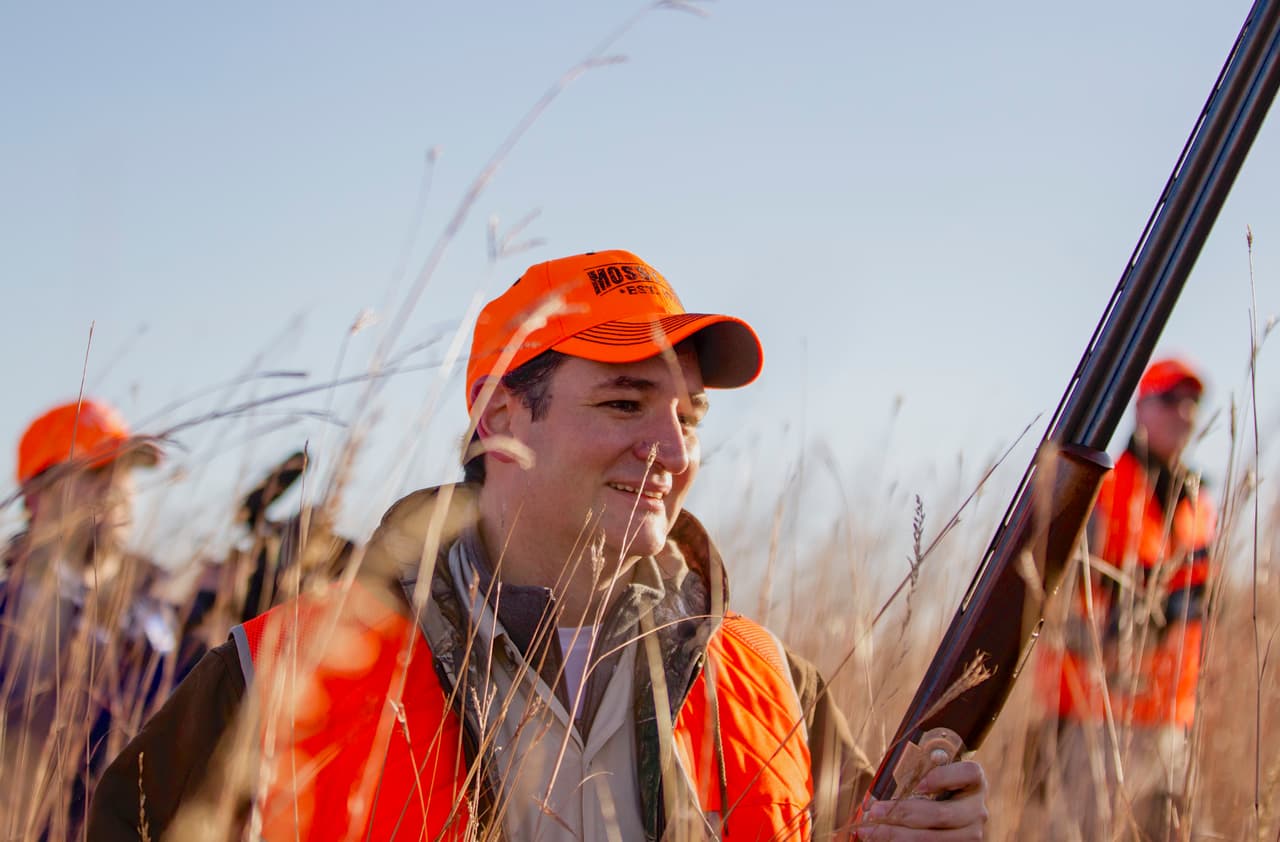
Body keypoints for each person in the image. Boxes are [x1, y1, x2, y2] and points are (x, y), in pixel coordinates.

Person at [88, 250, 989, 840]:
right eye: (625, 403)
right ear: (498, 418)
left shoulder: (771, 683)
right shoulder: (283, 673)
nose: (673, 452)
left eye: (688, 417)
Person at [1033, 358, 1216, 841]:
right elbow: (1050, 598)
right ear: (1140, 408)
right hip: (1097, 720)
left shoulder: (1200, 502)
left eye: (1193, 403)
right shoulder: (1101, 489)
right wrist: (1128, 625)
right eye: (1171, 400)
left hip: (1171, 720)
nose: (1185, 413)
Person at [1, 399, 191, 839]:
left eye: (125, 472)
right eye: (95, 471)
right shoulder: (8, 619)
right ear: (35, 496)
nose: (117, 489)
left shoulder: (159, 618)